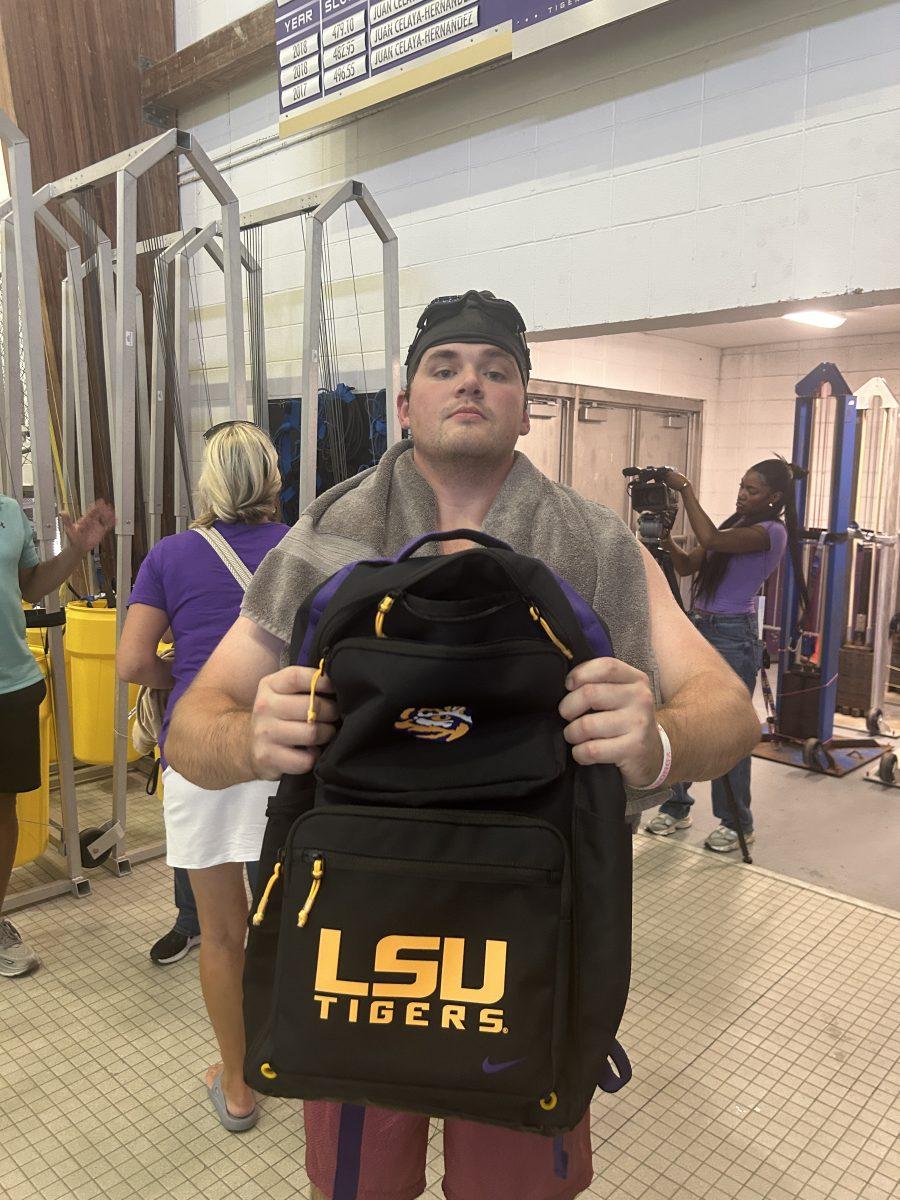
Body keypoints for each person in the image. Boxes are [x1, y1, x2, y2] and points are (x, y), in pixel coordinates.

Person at [166, 290, 760, 1199]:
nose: (470, 383)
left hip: (534, 932)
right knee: (361, 1187)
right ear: (405, 404)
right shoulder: (326, 539)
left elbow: (730, 710)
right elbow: (189, 730)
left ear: (526, 406)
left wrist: (659, 743)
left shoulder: (594, 544)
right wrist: (250, 738)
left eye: (497, 370)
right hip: (355, 943)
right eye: (444, 368)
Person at [117, 421, 289, 1131]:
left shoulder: (170, 555)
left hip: (204, 751)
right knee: (305, 922)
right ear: (273, 477)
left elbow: (131, 663)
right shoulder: (306, 549)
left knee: (222, 935)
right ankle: (309, 1062)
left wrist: (185, 680)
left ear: (209, 483)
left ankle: (240, 1088)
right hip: (292, 744)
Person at [645, 459, 806, 851]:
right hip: (698, 626)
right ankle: (677, 806)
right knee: (680, 715)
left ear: (775, 497)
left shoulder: (770, 532)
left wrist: (685, 489)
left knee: (726, 726)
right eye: (741, 485)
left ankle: (736, 823)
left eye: (751, 489)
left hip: (733, 634)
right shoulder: (734, 528)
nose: (742, 494)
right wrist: (664, 540)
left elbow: (712, 542)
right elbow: (686, 566)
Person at [1, 494, 115, 977]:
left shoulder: (8, 512)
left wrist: (73, 554)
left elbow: (28, 585)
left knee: (1, 806)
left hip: (9, 684)